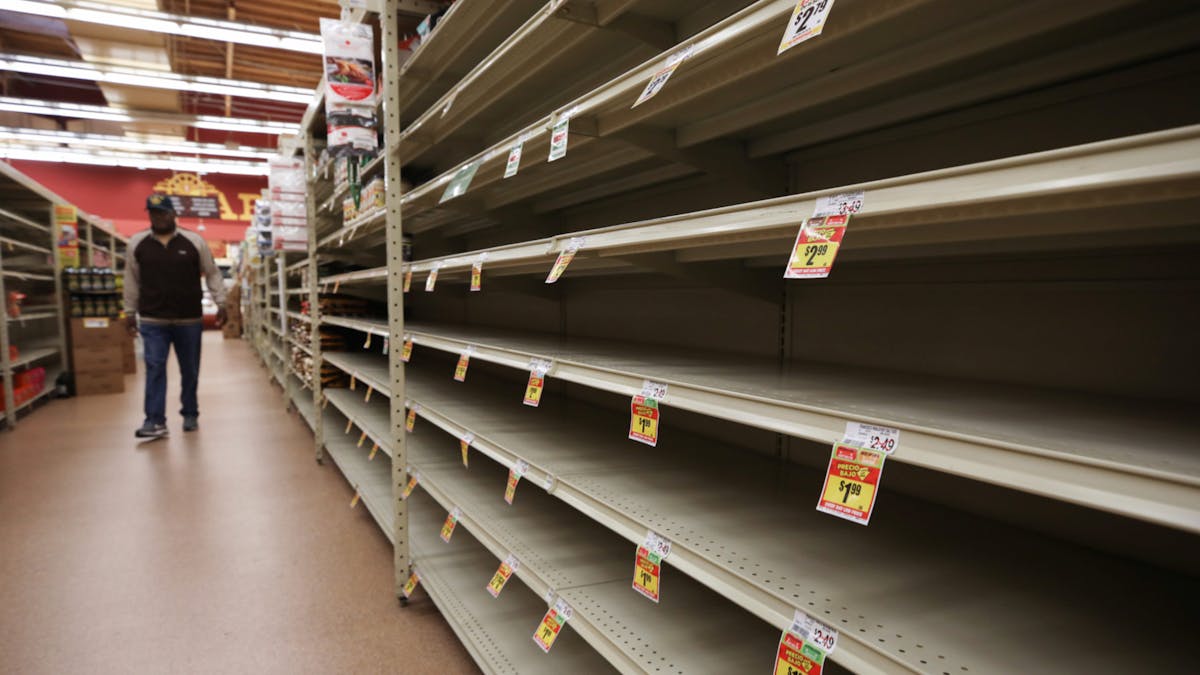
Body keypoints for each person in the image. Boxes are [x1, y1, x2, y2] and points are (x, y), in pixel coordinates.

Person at [123, 194, 227, 438]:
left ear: (173, 214)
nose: (158, 217)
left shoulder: (194, 241)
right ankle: (154, 420)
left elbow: (212, 272)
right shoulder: (137, 243)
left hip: (188, 319)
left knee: (189, 370)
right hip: (153, 319)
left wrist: (221, 302)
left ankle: (190, 413)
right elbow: (131, 279)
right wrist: (129, 311)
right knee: (154, 367)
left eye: (162, 212)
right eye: (153, 213)